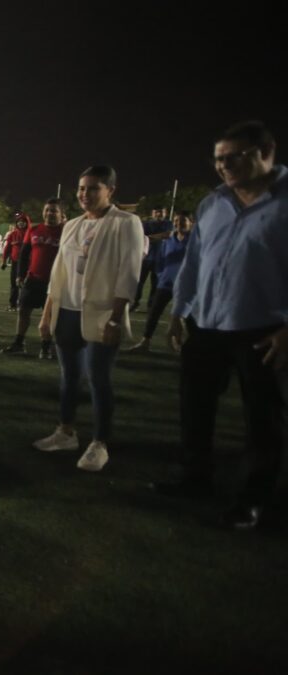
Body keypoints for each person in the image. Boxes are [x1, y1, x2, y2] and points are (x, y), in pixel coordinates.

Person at [158, 121, 288, 530]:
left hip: (264, 328)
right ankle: (195, 477)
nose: (223, 166)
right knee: (195, 407)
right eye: (217, 159)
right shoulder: (213, 203)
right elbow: (195, 262)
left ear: (265, 151)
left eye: (233, 157)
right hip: (208, 323)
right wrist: (180, 312)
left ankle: (256, 499)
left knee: (262, 418)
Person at [33, 166, 143, 473]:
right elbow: (58, 276)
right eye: (81, 188)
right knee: (69, 377)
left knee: (98, 379)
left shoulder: (126, 223)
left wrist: (115, 319)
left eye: (93, 188)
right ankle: (65, 432)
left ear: (111, 190)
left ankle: (99, 443)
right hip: (67, 311)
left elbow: (129, 274)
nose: (85, 194)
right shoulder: (72, 225)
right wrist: (47, 315)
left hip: (101, 314)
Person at [1, 199, 66, 358]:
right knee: (23, 311)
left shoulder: (66, 231)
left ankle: (46, 346)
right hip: (33, 278)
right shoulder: (34, 229)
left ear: (62, 214)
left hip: (54, 282)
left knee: (49, 315)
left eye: (54, 210)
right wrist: (20, 275)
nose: (50, 213)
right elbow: (24, 254)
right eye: (47, 210)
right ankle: (19, 343)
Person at [127, 211, 193, 352]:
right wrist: (162, 275)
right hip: (166, 284)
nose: (178, 224)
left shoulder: (196, 242)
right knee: (154, 313)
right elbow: (161, 260)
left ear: (190, 223)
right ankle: (145, 342)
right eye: (176, 221)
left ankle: (186, 346)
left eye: (182, 221)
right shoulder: (168, 240)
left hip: (186, 286)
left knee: (188, 318)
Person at [134, 208, 172, 311]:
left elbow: (168, 235)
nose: (159, 214)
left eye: (161, 212)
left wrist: (149, 238)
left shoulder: (168, 223)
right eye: (156, 211)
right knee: (139, 282)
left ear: (165, 213)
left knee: (155, 284)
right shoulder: (146, 224)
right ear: (152, 213)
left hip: (160, 259)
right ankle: (134, 303)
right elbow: (141, 237)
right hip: (145, 258)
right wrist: (158, 237)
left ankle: (151, 305)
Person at [1, 213, 31, 310]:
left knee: (25, 284)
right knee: (14, 284)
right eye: (19, 222)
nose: (21, 223)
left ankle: (23, 305)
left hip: (27, 263)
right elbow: (7, 248)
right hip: (15, 262)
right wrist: (4, 261)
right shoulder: (13, 234)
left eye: (23, 222)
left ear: (27, 223)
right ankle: (12, 304)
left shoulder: (31, 233)